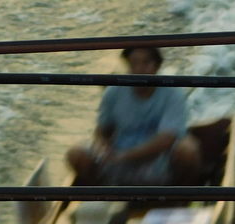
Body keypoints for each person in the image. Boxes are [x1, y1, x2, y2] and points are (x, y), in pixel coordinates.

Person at [66, 46, 202, 186]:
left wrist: (125, 156)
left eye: (145, 63)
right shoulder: (113, 91)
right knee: (76, 154)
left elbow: (166, 139)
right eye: (134, 64)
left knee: (188, 150)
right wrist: (103, 149)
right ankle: (102, 194)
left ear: (157, 66)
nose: (139, 69)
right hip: (118, 155)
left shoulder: (173, 93)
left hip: (160, 158)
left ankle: (176, 197)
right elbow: (102, 130)